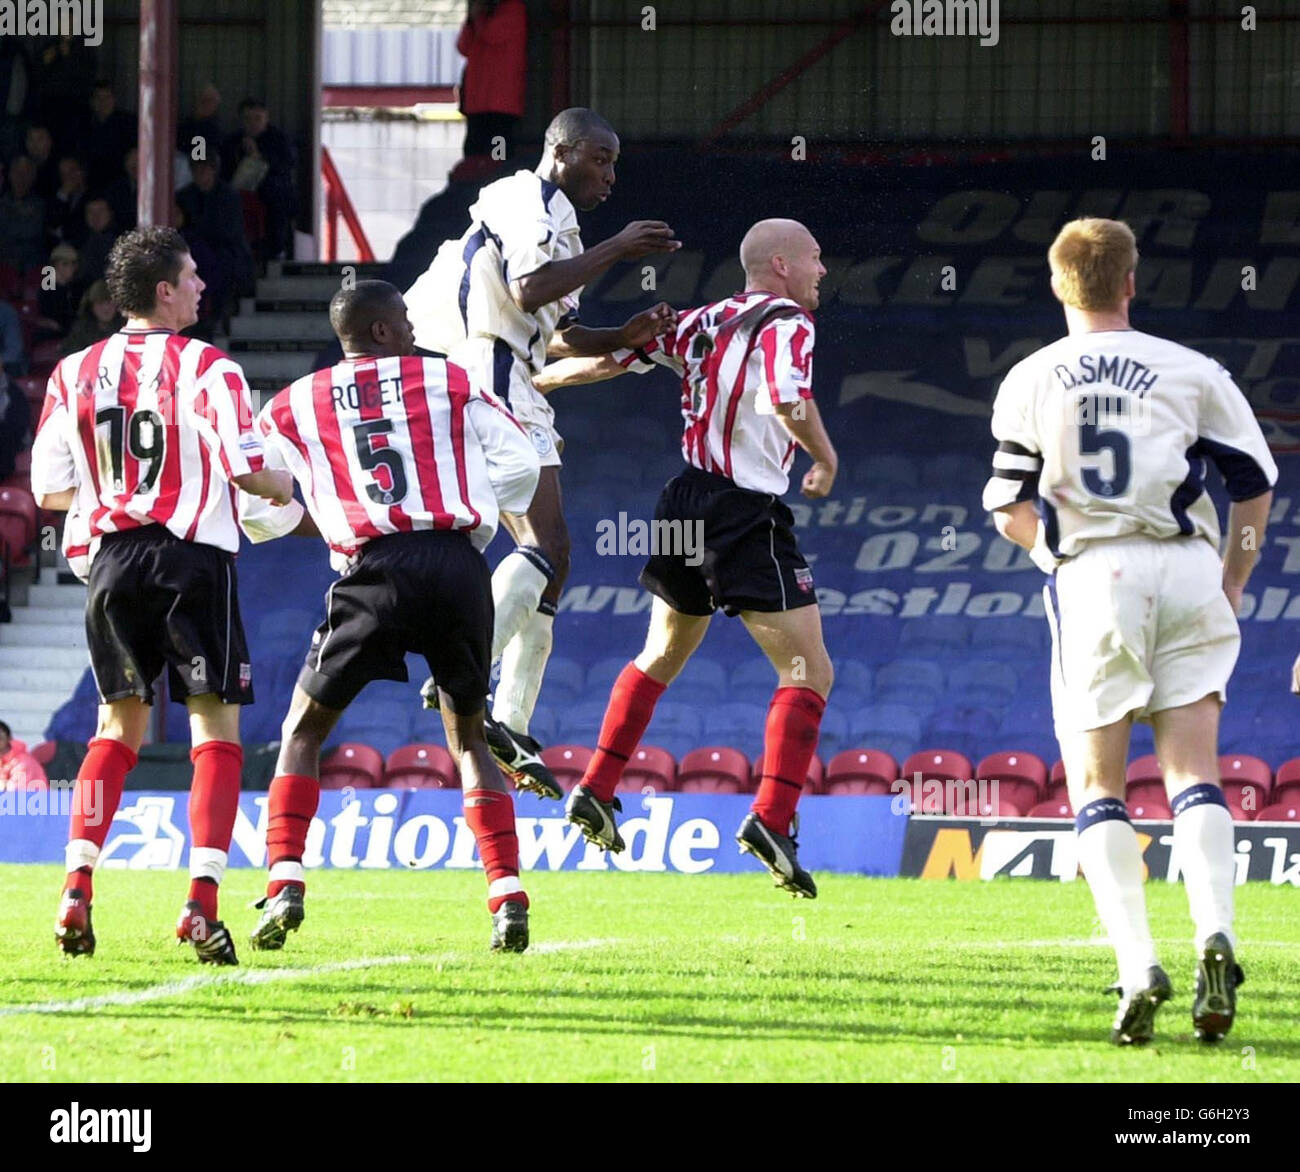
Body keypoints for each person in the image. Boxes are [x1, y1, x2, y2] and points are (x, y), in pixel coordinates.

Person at [982, 217, 1277, 1045]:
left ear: (1056, 285)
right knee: (1194, 773)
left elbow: (1009, 507)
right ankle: (1216, 932)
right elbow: (1254, 483)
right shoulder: (1192, 370)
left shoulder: (1030, 378)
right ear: (1132, 283)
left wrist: (1051, 557)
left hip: (1096, 573)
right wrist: (1234, 575)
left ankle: (1139, 961)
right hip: (1186, 566)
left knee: (1099, 787)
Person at [242, 280, 542, 952]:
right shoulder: (451, 381)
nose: (413, 327)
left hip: (372, 570)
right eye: (404, 319)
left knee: (303, 728)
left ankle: (285, 879)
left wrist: (311, 521)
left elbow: (253, 489)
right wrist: (477, 507)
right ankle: (507, 896)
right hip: (458, 568)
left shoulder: (295, 403)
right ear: (379, 331)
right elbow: (520, 465)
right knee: (467, 736)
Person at [541, 219, 837, 899]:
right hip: (743, 511)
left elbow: (614, 360)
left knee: (664, 651)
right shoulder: (789, 320)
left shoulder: (703, 320)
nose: (824, 271)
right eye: (817, 259)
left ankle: (597, 786)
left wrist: (542, 382)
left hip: (682, 501)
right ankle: (771, 816)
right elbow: (790, 396)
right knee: (810, 670)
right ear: (784, 265)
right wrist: (826, 456)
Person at [30, 226, 294, 964]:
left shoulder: (74, 371)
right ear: (164, 291)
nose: (204, 286)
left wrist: (114, 487)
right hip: (192, 562)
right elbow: (247, 472)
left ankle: (76, 885)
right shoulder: (211, 368)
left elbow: (50, 491)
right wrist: (290, 492)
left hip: (113, 561)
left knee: (115, 731)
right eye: (193, 275)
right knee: (216, 733)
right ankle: (200, 907)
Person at [404, 106, 679, 797]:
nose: (611, 175)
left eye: (614, 162)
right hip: (487, 368)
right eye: (600, 159)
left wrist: (628, 329)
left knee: (556, 556)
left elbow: (563, 333)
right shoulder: (520, 196)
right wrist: (618, 248)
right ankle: (462, 677)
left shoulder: (565, 226)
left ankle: (512, 718)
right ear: (561, 152)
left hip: (516, 375)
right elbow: (526, 291)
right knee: (545, 542)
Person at [220, 98, 295, 260]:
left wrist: (258, 157)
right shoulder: (232, 142)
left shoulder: (279, 140)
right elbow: (224, 170)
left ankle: (277, 249)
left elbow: (287, 165)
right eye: (248, 119)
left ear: (266, 119)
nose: (253, 124)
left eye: (258, 119)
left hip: (270, 191)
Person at [456, 0, 527, 161]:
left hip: (501, 103)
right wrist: (471, 20)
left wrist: (478, 16)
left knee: (498, 154)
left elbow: (492, 35)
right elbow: (463, 47)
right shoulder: (478, 19)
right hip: (477, 102)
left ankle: (498, 178)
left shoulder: (513, 9)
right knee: (473, 152)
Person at [0, 155, 46, 270]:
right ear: (10, 175)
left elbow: (30, 231)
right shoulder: (2, 202)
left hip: (31, 265)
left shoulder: (40, 204)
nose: (21, 177)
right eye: (17, 172)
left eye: (26, 172)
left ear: (33, 176)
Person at [59, 279, 123, 356]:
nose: (106, 308)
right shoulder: (81, 330)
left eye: (109, 302)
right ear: (91, 306)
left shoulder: (124, 328)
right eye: (100, 303)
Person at [77, 197, 118, 286]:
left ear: (110, 213)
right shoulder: (79, 241)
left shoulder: (119, 243)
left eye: (101, 211)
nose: (96, 216)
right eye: (91, 212)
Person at [0, 720, 48, 790]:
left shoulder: (23, 761)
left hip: (35, 799)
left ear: (9, 738)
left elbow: (17, 792)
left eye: (0, 738)